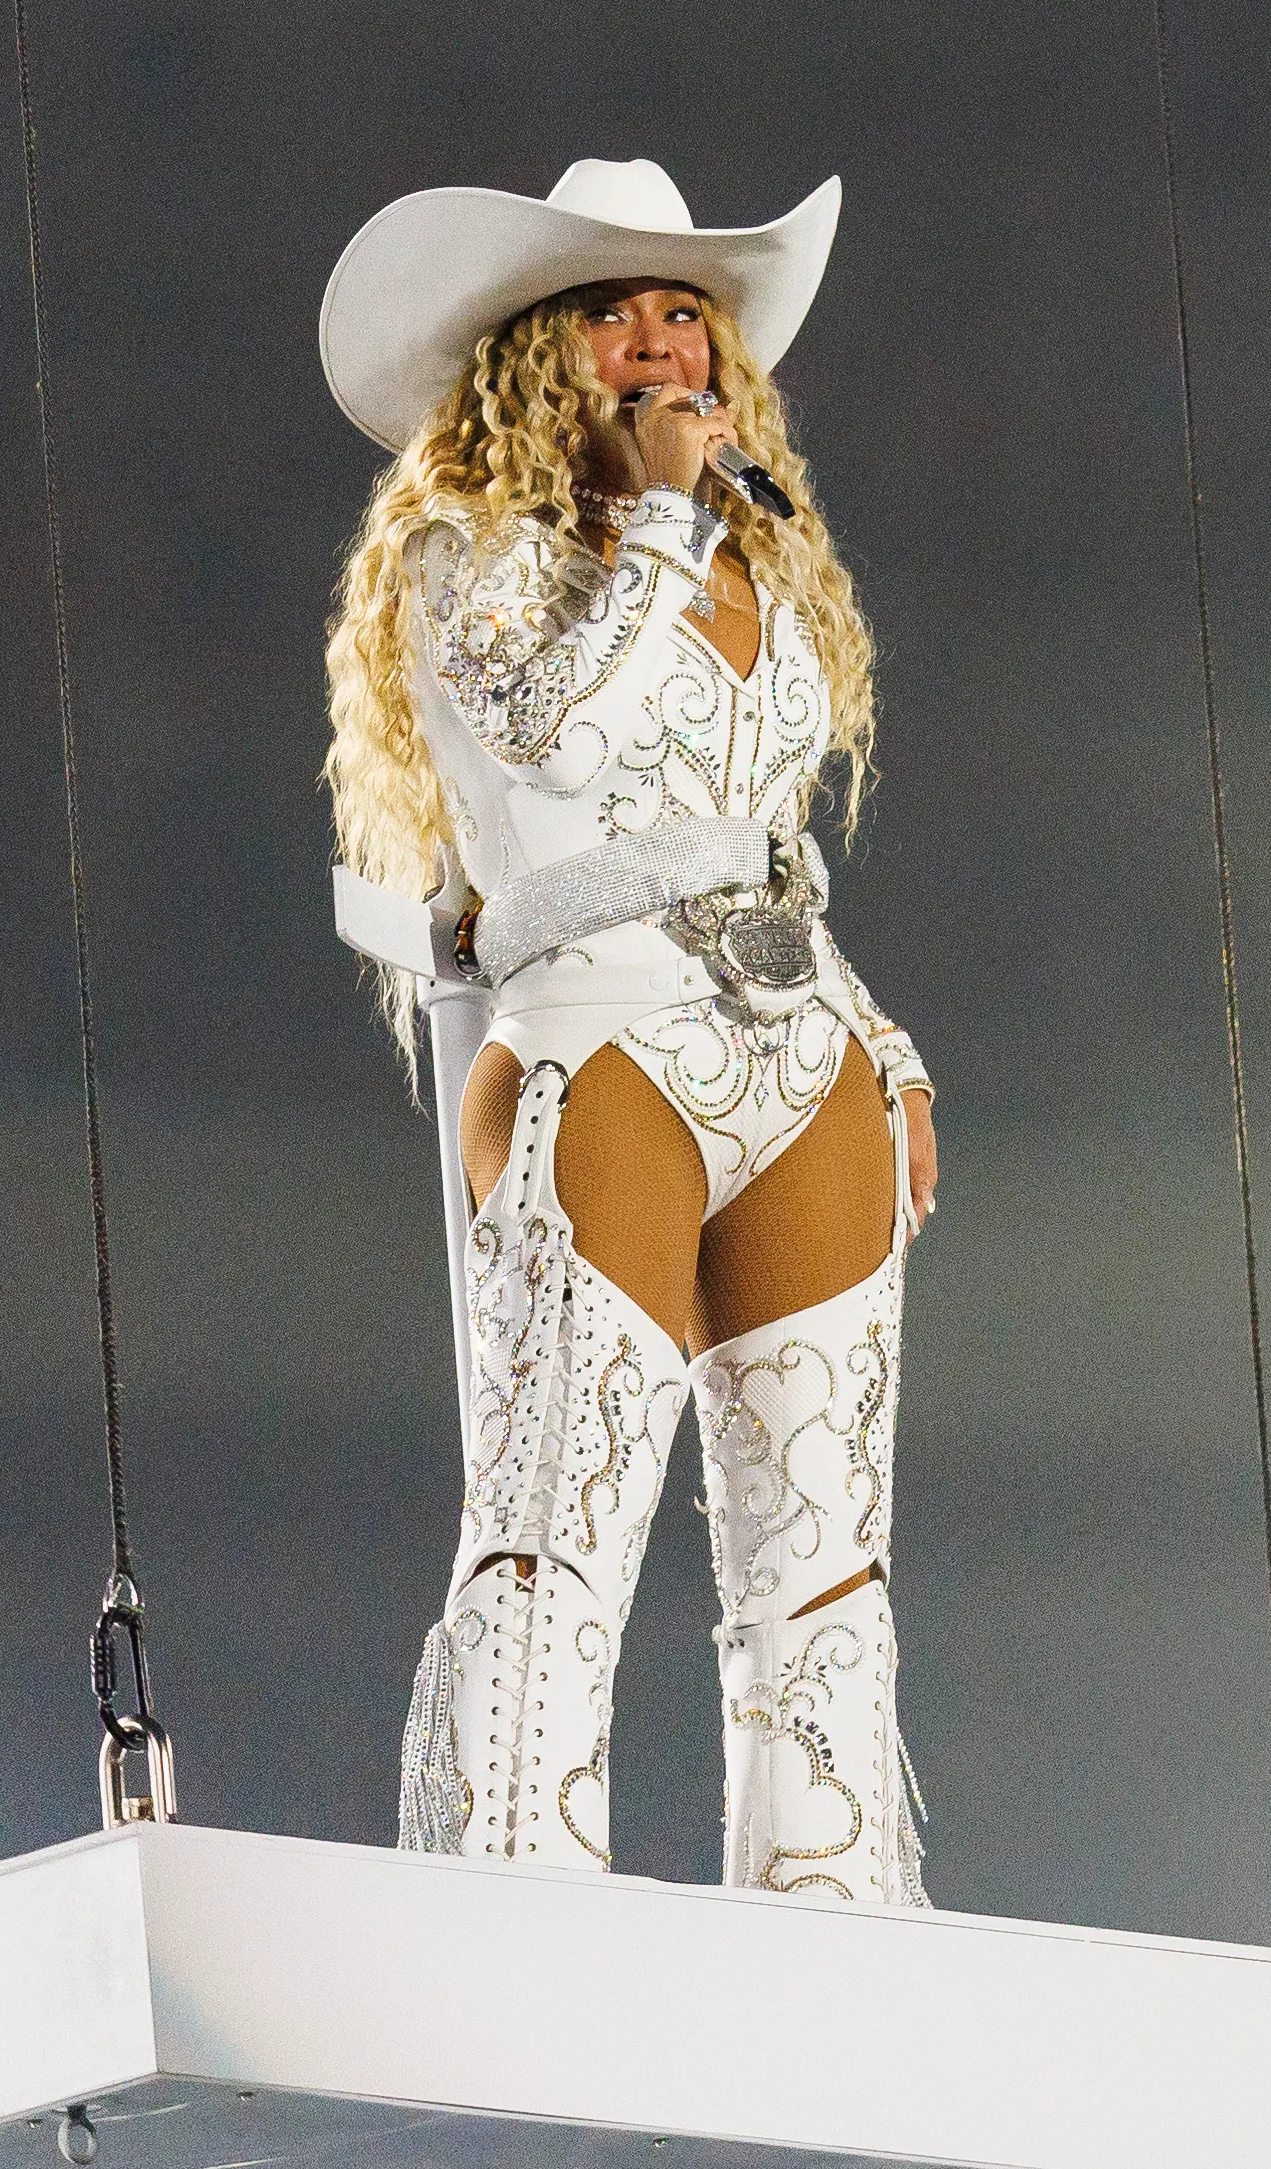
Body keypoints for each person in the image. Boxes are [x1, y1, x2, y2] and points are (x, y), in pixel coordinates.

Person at [316, 157, 937, 1904]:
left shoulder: (759, 565)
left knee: (821, 1571)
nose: (663, 345)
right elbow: (550, 744)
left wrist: (878, 1040)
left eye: (689, 313)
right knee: (558, 1541)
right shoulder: (469, 562)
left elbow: (768, 828)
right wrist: (661, 522)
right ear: (534, 353)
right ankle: (524, 1932)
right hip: (599, 1037)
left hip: (799, 1045)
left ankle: (831, 1952)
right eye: (615, 311)